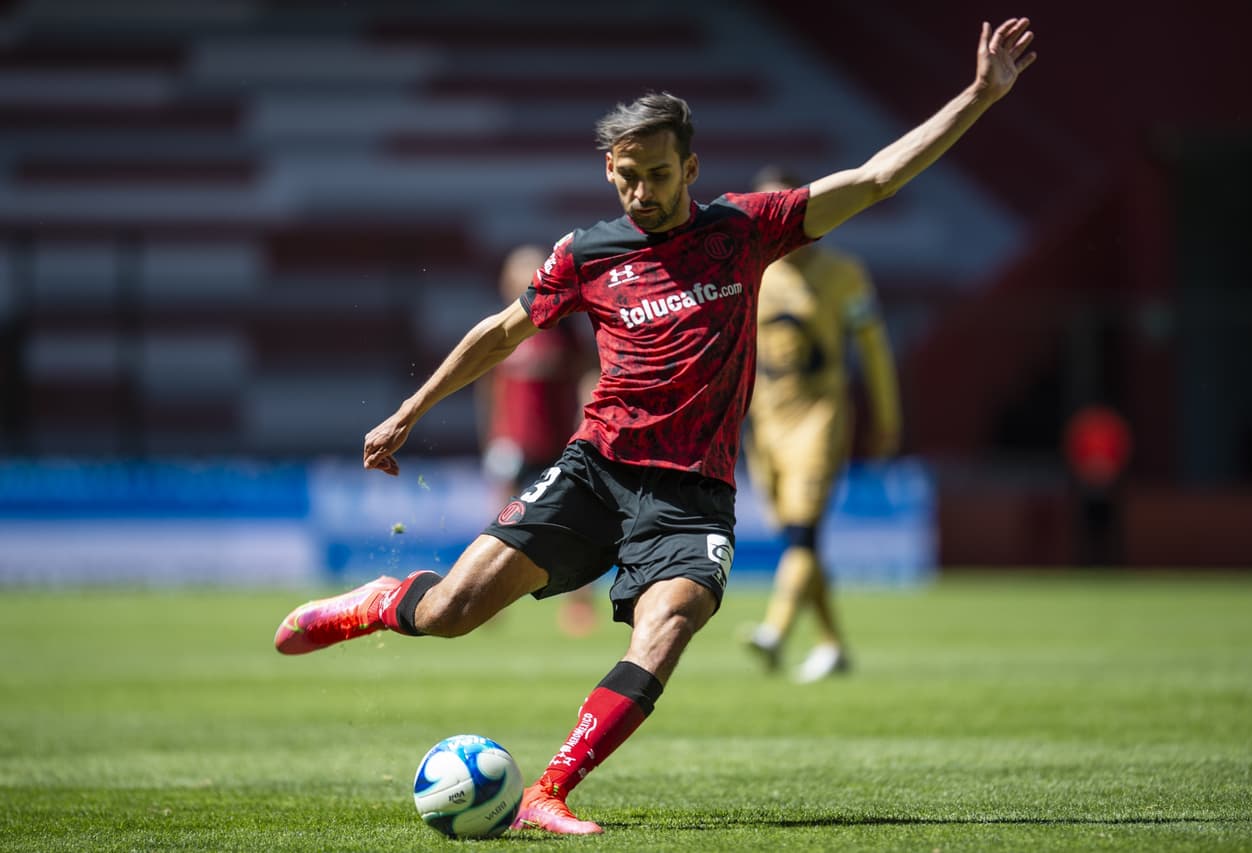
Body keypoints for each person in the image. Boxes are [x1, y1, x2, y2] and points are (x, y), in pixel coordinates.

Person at [274, 18, 1035, 836]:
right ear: (609, 168)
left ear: (692, 168)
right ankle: (379, 603)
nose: (644, 192)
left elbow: (878, 176)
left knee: (667, 624)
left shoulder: (744, 230)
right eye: (629, 176)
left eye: (661, 175)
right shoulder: (585, 254)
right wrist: (409, 411)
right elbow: (502, 333)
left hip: (693, 495)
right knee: (454, 611)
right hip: (595, 468)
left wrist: (981, 96)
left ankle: (548, 791)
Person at [741, 165, 902, 683]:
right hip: (763, 425)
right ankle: (832, 644)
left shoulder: (844, 274)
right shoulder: (752, 273)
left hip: (820, 417)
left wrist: (887, 415)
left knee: (802, 536)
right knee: (796, 538)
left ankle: (775, 631)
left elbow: (874, 349)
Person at [478, 244, 599, 635]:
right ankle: (487, 603)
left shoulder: (566, 332)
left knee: (574, 526)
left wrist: (587, 429)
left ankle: (579, 607)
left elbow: (588, 378)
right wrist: (492, 438)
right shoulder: (501, 330)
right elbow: (488, 389)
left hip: (560, 442)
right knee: (501, 529)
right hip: (513, 444)